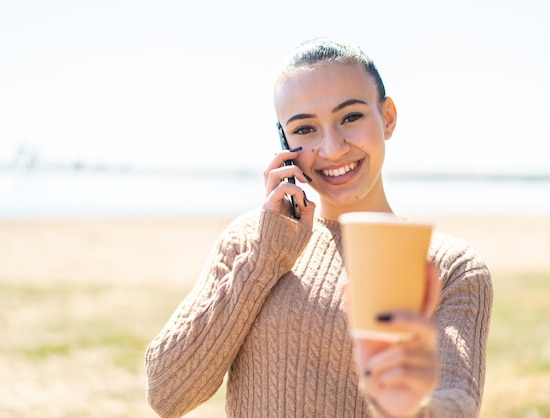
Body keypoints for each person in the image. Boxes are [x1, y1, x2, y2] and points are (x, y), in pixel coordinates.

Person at [145, 38, 493, 418]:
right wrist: (266, 256)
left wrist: (411, 405)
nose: (331, 149)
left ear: (388, 117)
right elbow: (167, 393)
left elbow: (457, 403)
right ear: (284, 141)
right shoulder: (250, 240)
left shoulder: (451, 267)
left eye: (350, 117)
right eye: (305, 128)